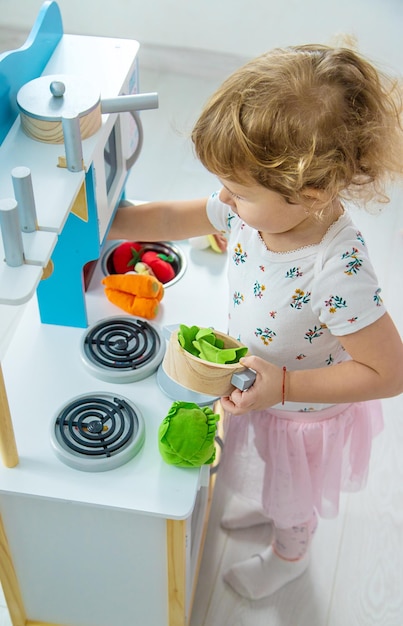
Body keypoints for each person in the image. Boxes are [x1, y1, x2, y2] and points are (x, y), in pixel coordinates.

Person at [109, 44, 403, 599]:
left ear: (310, 193)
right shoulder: (255, 209)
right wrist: (110, 223)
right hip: (262, 389)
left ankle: (290, 552)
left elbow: (389, 372)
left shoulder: (336, 267)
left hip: (303, 414)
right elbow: (180, 215)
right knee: (268, 474)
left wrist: (285, 386)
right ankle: (274, 510)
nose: (223, 199)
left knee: (291, 493)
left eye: (238, 192)